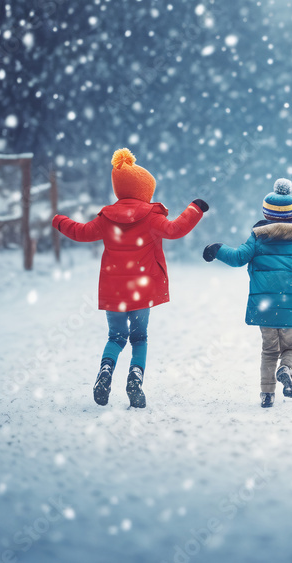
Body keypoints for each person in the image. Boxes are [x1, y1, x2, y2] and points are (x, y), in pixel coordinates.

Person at [52, 148, 207, 408]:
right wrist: (195, 208)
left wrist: (59, 220)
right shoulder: (151, 216)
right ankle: (135, 379)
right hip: (141, 291)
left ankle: (105, 372)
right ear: (144, 190)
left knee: (115, 337)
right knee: (139, 338)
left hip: (113, 291)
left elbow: (80, 232)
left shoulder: (106, 218)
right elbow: (176, 229)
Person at [202, 178, 292, 408]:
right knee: (291, 347)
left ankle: (267, 394)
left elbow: (237, 258)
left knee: (268, 350)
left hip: (264, 306)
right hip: (291, 309)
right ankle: (286, 368)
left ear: (266, 214)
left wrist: (217, 249)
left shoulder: (258, 238)